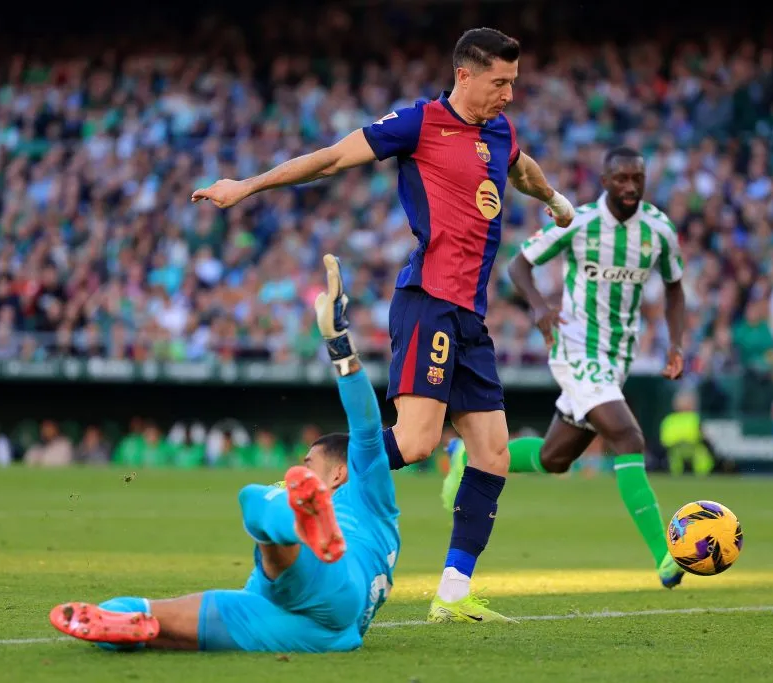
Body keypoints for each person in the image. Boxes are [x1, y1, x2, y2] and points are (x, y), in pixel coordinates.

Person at [192, 28, 575, 623]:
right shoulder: (419, 123)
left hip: (470, 315)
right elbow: (331, 158)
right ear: (464, 75)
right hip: (429, 301)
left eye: (514, 83)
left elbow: (521, 169)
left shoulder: (499, 130)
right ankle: (311, 483)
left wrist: (553, 200)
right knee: (419, 442)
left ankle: (452, 593)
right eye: (499, 83)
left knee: (493, 454)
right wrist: (247, 186)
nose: (508, 94)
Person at [49, 255, 401, 653]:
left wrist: (339, 343)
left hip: (333, 584)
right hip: (318, 632)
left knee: (254, 496)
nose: (298, 467)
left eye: (309, 463)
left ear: (339, 473)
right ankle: (117, 617)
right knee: (153, 621)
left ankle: (297, 523)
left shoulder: (367, 493)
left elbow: (366, 427)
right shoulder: (381, 524)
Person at [443, 147, 688, 588]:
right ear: (604, 180)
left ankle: (468, 455)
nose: (630, 187)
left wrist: (677, 343)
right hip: (575, 348)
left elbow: (674, 288)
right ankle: (665, 555)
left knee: (553, 458)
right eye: (621, 179)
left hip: (617, 359)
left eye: (637, 178)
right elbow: (519, 265)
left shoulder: (659, 230)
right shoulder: (581, 222)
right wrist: (538, 306)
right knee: (628, 436)